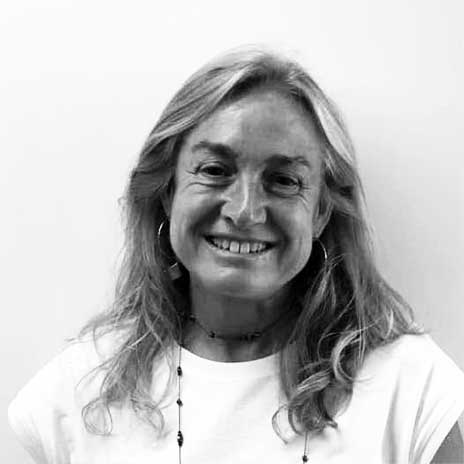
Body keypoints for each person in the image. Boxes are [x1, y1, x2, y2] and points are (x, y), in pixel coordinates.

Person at [8, 46, 464, 464]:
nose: (245, 211)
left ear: (322, 212)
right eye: (214, 170)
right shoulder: (78, 395)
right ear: (167, 191)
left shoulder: (409, 388)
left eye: (283, 180)